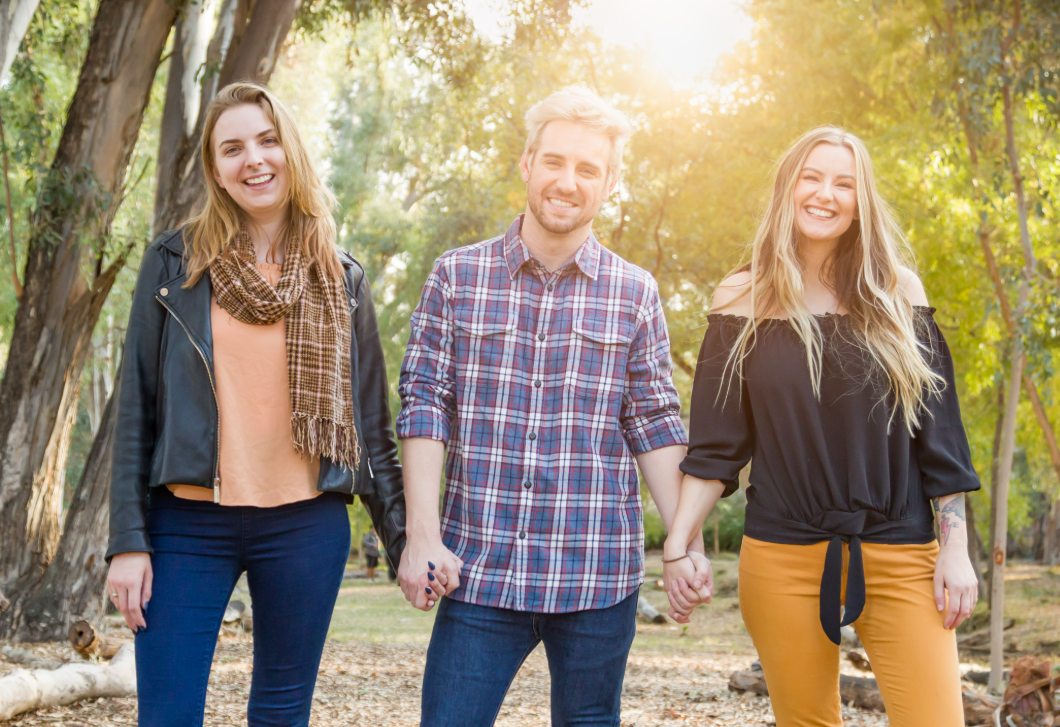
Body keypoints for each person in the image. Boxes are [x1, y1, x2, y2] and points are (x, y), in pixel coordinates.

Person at [396, 86, 710, 727]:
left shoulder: (634, 293)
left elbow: (654, 422)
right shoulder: (456, 276)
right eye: (555, 162)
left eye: (588, 168)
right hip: (479, 572)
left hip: (597, 576)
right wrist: (421, 536)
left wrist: (684, 543)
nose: (568, 182)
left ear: (610, 183)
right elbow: (425, 404)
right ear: (527, 164)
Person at [104, 82, 406, 727]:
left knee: (280, 715)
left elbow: (371, 429)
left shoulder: (341, 277)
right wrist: (127, 542)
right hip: (186, 525)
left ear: (290, 150)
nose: (255, 160)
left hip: (306, 525)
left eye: (268, 141)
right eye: (233, 148)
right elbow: (136, 411)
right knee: (166, 716)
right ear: (216, 170)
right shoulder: (174, 263)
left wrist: (405, 544)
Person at [662, 126, 980, 727]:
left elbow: (940, 440)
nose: (824, 194)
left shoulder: (898, 292)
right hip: (781, 554)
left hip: (901, 549)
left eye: (844, 183)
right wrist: (678, 546)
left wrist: (956, 550)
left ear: (862, 201)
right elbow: (716, 448)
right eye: (811, 177)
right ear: (787, 187)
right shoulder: (741, 296)